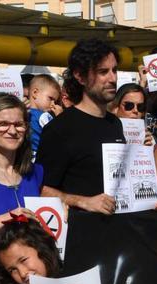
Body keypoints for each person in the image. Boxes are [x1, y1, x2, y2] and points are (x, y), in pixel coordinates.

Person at [38, 38, 124, 217]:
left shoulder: (115, 123)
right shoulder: (60, 130)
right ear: (80, 76)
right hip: (80, 237)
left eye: (114, 70)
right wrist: (83, 201)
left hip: (119, 233)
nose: (112, 78)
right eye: (103, 72)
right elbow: (42, 190)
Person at [0, 93, 43, 261]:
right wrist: (10, 218)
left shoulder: (37, 172)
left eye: (19, 124)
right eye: (2, 124)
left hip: (35, 275)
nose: (12, 131)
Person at [27, 75, 62, 156]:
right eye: (50, 98)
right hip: (40, 156)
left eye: (55, 101)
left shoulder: (23, 112)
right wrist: (60, 118)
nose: (53, 104)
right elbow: (57, 135)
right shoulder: (44, 116)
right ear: (35, 93)